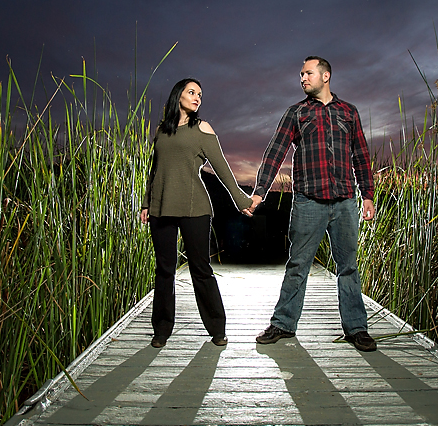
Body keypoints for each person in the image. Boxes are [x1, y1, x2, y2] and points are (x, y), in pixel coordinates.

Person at [245, 56, 378, 352]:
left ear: (326, 75)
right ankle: (283, 323)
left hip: (344, 202)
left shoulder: (349, 112)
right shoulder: (297, 113)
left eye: (308, 73)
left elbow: (361, 156)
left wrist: (367, 195)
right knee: (298, 265)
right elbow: (274, 152)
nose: (302, 79)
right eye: (301, 74)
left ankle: (356, 328)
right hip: (308, 202)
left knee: (348, 268)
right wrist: (259, 192)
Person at [141, 78, 253, 349]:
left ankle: (217, 328)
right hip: (161, 208)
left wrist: (240, 198)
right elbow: (154, 171)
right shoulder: (160, 131)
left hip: (194, 209)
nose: (197, 98)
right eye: (192, 92)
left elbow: (222, 167)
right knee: (164, 271)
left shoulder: (202, 128)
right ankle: (162, 329)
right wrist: (147, 203)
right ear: (178, 94)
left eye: (200, 94)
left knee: (200, 270)